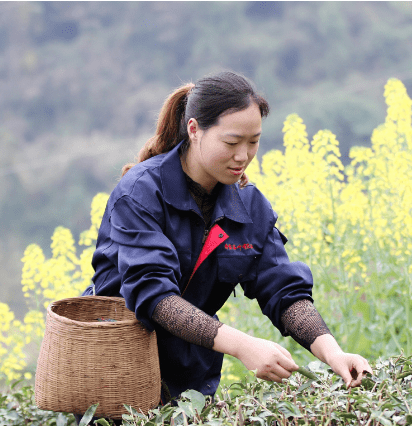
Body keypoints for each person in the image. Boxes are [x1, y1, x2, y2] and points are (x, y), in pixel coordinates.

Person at [84, 71, 372, 406]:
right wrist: (243, 345)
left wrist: (333, 352)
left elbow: (282, 290)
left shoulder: (248, 205)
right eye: (232, 143)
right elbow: (155, 296)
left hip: (188, 381)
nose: (243, 156)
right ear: (194, 130)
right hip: (118, 371)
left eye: (254, 142)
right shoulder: (141, 192)